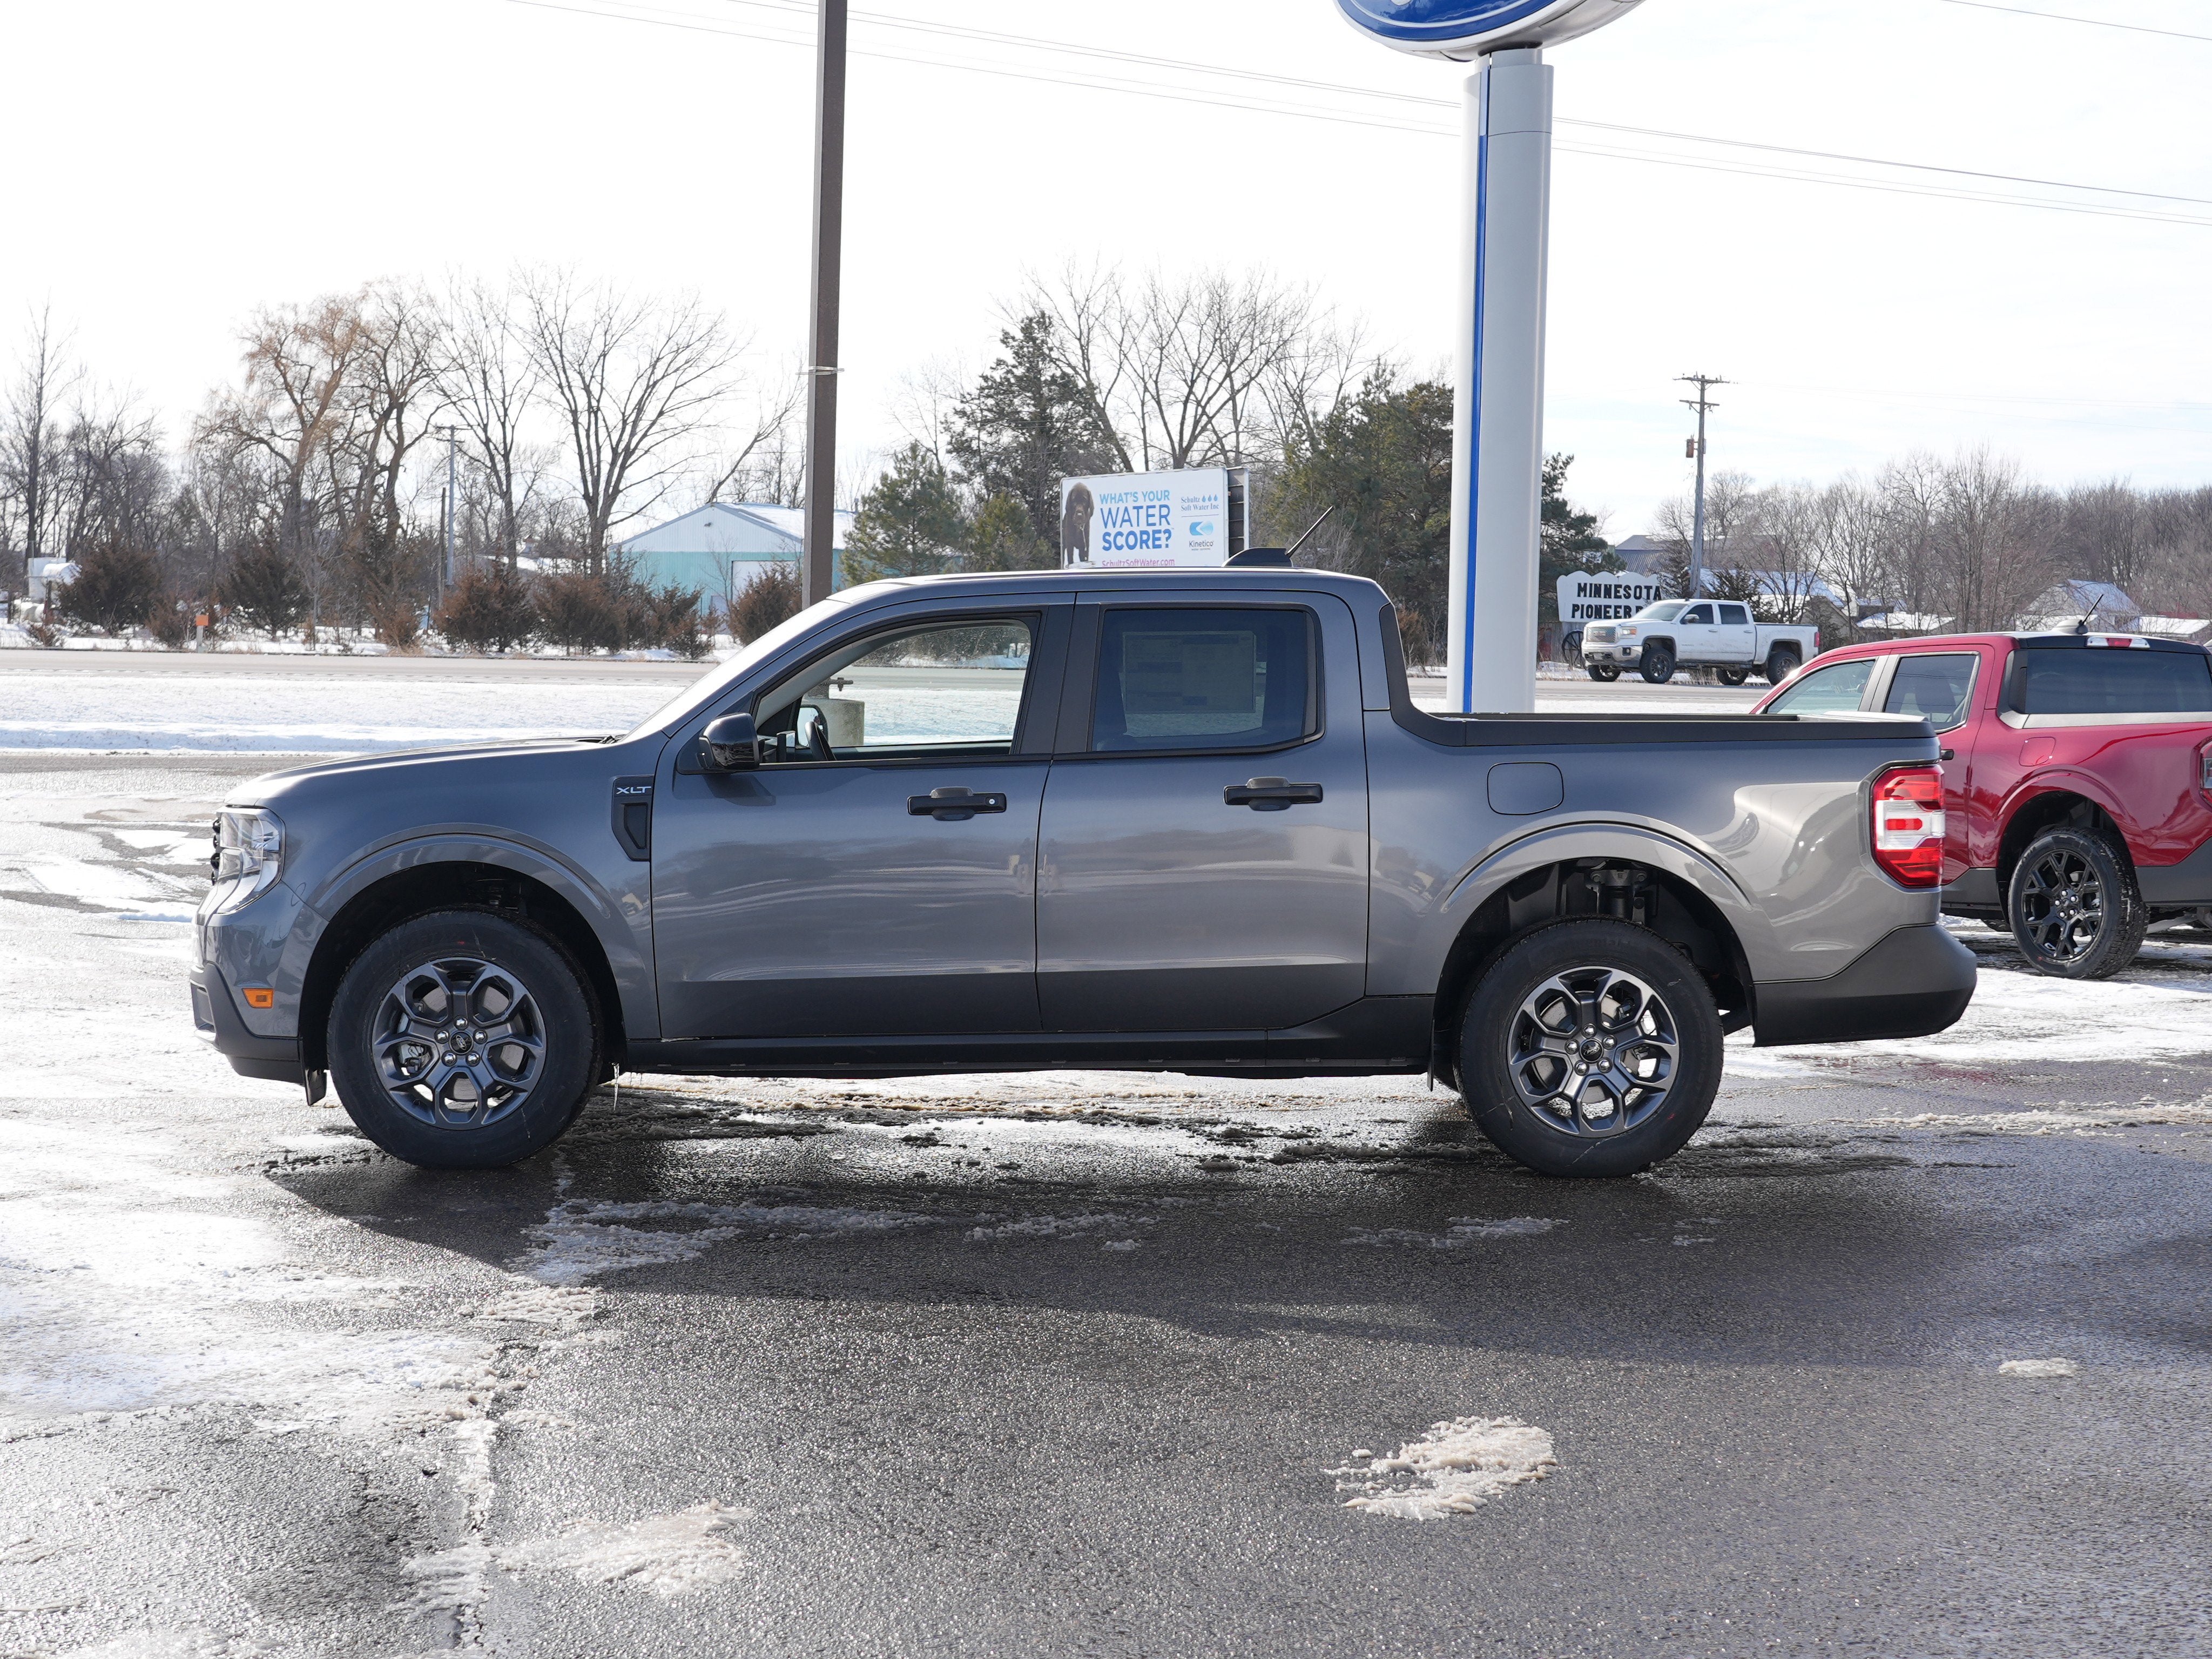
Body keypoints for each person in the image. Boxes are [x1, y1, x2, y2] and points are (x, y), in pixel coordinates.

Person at [1059, 482, 1094, 565]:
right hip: (1069, 525)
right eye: (1075, 503)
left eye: (1084, 503)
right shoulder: (1068, 517)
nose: (1079, 510)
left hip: (1084, 525)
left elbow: (1085, 549)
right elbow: (1069, 552)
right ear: (1070, 504)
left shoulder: (1087, 519)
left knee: (1084, 552)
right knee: (1068, 549)